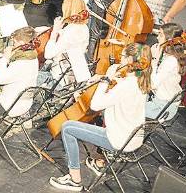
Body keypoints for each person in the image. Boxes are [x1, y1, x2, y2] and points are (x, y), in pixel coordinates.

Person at [48, 43, 153, 191]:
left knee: (67, 127)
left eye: (122, 57)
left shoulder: (126, 86)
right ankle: (99, 162)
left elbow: (95, 105)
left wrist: (104, 81)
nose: (119, 59)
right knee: (98, 120)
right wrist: (104, 78)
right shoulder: (141, 80)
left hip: (119, 140)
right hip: (134, 138)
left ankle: (74, 180)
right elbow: (123, 88)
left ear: (130, 60)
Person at [40, 0, 90, 89]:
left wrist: (54, 32)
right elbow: (71, 43)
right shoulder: (84, 28)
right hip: (74, 73)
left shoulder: (70, 32)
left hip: (59, 79)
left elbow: (48, 54)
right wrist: (61, 30)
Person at [146, 23, 186, 119]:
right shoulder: (166, 54)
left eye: (160, 35)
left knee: (127, 108)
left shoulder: (171, 61)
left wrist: (154, 59)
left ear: (169, 39)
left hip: (162, 107)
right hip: (158, 99)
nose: (157, 38)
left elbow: (152, 84)